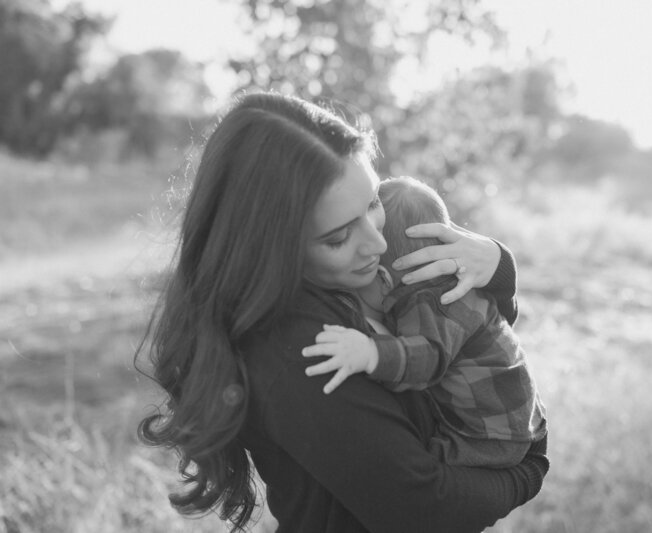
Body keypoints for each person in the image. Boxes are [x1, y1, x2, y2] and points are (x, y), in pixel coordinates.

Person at [136, 92, 549, 533]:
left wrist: (498, 268)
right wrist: (527, 468)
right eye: (337, 238)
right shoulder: (300, 347)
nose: (378, 242)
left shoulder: (361, 275)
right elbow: (423, 510)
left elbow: (474, 338)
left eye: (373, 204)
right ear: (271, 247)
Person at [302, 176, 547, 468]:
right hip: (520, 418)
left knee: (422, 465)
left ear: (383, 279)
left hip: (491, 436)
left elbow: (426, 358)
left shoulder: (430, 303)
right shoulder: (460, 279)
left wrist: (371, 352)